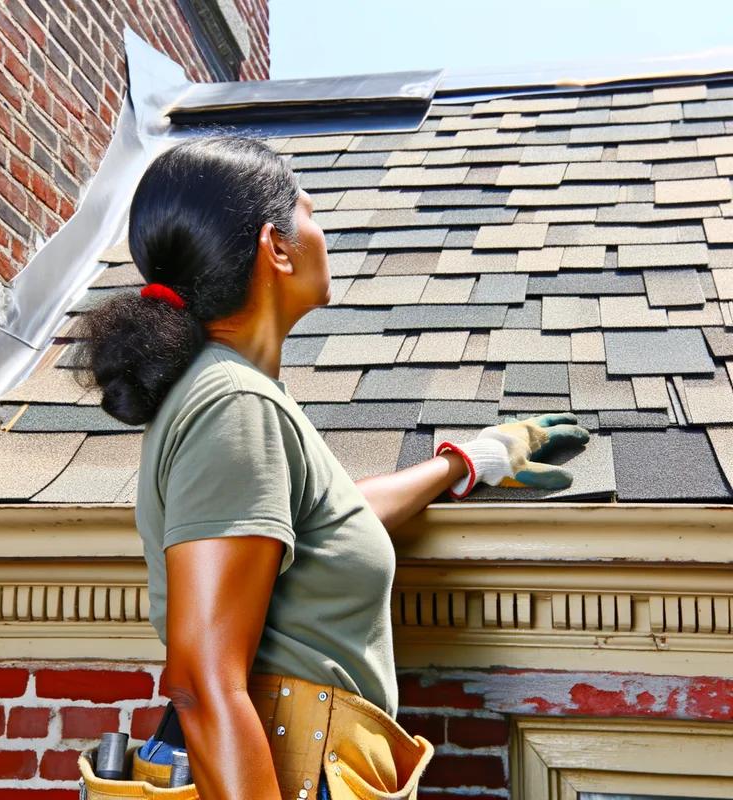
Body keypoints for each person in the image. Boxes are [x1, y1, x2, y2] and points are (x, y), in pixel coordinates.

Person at [72, 135, 590, 799]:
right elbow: (201, 685)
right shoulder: (233, 404)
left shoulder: (237, 395)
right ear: (276, 247)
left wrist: (468, 462)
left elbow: (335, 519)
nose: (323, 232)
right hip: (288, 770)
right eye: (311, 213)